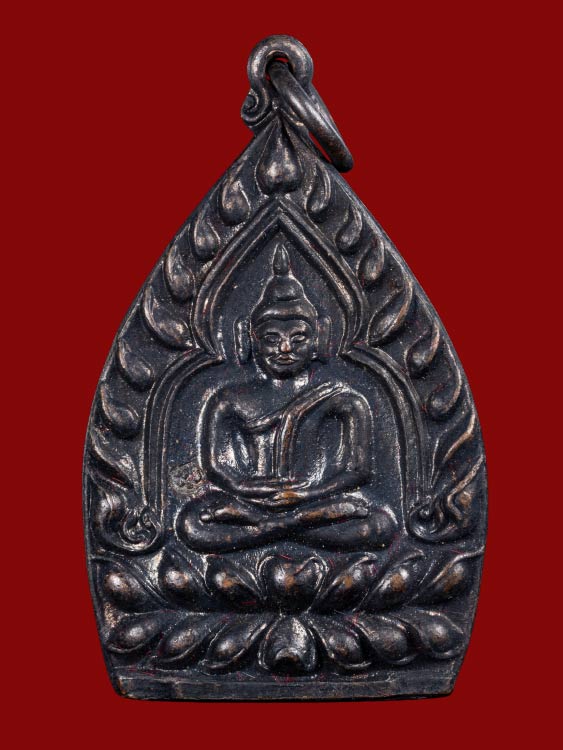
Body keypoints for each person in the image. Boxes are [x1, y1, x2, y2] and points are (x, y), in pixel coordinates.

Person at [177, 244, 397, 552]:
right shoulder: (227, 399)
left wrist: (306, 495)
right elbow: (215, 468)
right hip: (256, 501)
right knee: (189, 522)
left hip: (313, 500)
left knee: (381, 524)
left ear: (319, 338)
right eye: (272, 338)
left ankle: (267, 527)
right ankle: (286, 526)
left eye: (298, 338)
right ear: (249, 340)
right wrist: (243, 487)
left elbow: (359, 471)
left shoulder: (344, 399)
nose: (284, 349)